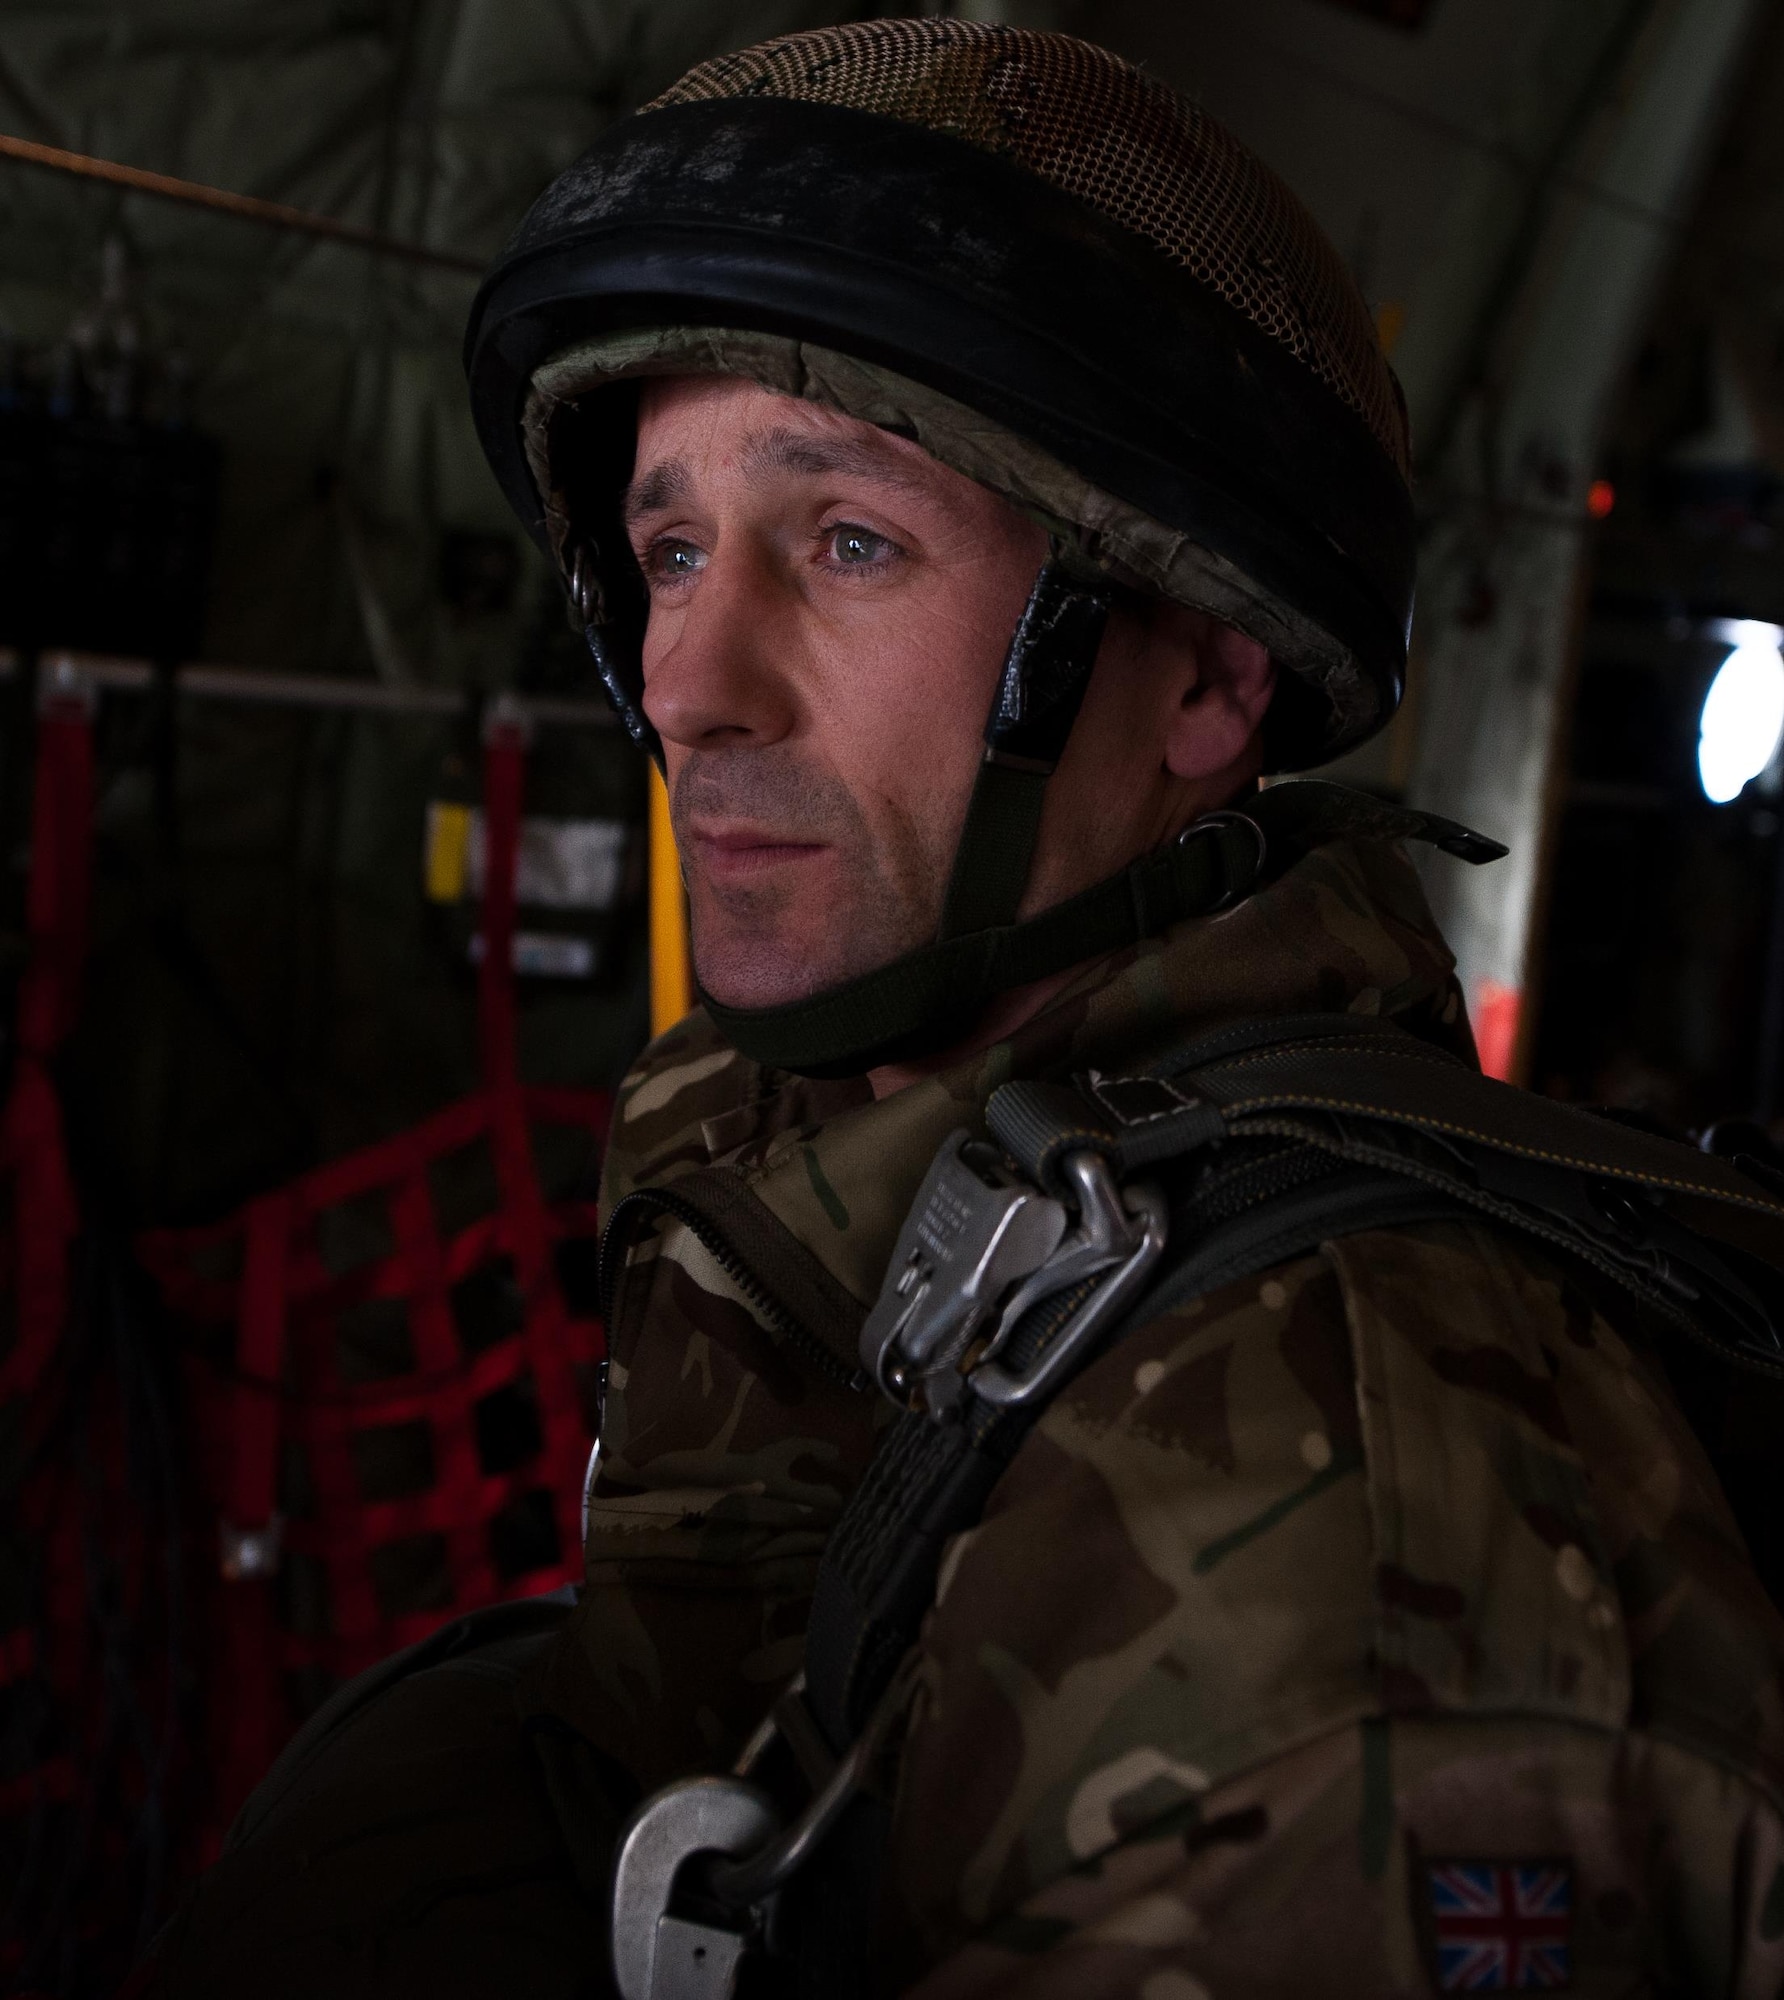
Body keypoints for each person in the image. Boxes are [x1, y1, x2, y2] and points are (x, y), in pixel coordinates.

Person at [142, 20, 1784, 1998]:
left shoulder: (1344, 1530)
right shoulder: (818, 1149)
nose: (688, 682)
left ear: (1199, 680)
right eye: (669, 550)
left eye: (846, 543)